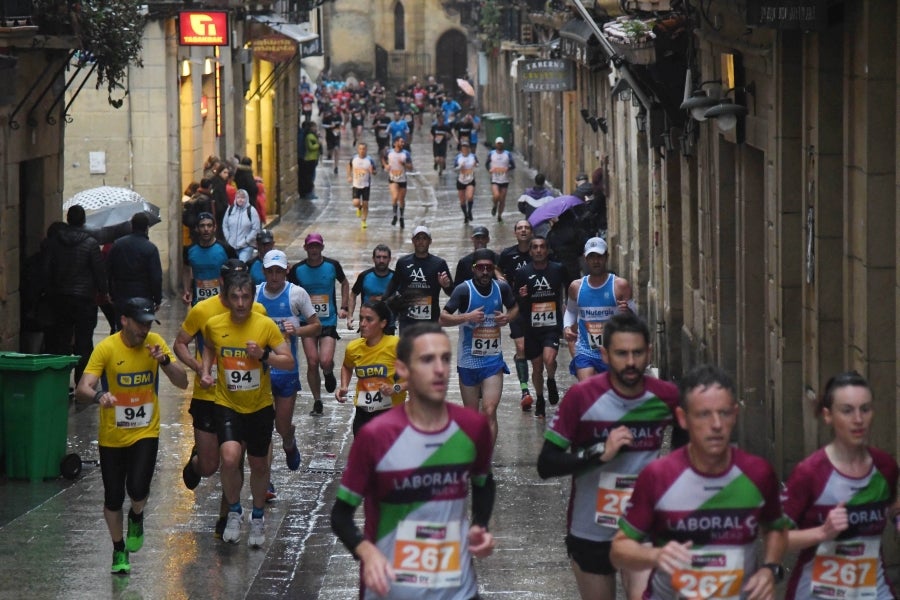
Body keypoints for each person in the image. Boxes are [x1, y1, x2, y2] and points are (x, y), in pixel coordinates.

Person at [330, 323, 496, 599]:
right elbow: (340, 515)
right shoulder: (375, 436)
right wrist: (366, 551)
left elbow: (483, 482)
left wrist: (480, 525)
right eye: (427, 359)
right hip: (391, 589)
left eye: (445, 358)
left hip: (457, 589)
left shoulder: (472, 426)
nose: (440, 368)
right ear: (403, 369)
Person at [611, 363, 789, 600]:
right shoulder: (658, 476)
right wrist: (656, 556)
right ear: (683, 419)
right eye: (704, 414)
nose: (716, 425)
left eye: (724, 413)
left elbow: (775, 528)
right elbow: (619, 549)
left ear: (735, 414)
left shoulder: (758, 473)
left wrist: (770, 569)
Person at [538, 313, 681, 600]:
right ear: (604, 354)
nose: (630, 362)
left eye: (637, 353)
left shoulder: (667, 397)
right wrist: (599, 452)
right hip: (591, 528)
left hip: (643, 527)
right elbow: (546, 464)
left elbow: (687, 452)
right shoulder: (582, 397)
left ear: (648, 352)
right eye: (621, 353)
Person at [75, 297, 188, 574]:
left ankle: (136, 514)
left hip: (145, 431)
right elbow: (82, 388)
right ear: (124, 320)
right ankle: (118, 549)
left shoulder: (156, 345)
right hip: (112, 436)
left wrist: (164, 362)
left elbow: (182, 381)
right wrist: (100, 395)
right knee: (113, 497)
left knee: (138, 489)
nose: (144, 329)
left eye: (148, 324)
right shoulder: (106, 348)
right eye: (140, 323)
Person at [782, 371, 900, 600]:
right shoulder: (809, 473)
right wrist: (822, 532)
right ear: (828, 415)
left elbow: (892, 504)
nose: (858, 419)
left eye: (865, 409)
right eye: (847, 410)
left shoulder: (885, 466)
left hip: (874, 591)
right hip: (816, 593)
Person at [199, 272, 295, 547]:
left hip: (260, 407)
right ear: (226, 299)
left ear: (253, 298)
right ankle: (234, 512)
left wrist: (264, 355)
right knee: (229, 459)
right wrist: (206, 370)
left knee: (259, 464)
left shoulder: (265, 326)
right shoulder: (214, 325)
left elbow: (288, 362)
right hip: (226, 403)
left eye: (245, 297)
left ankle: (257, 516)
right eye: (235, 297)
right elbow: (208, 348)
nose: (241, 303)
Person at [175, 260, 271, 529]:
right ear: (222, 284)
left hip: (240, 399)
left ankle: (227, 515)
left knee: (235, 458)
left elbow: (268, 347)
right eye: (232, 286)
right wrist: (199, 368)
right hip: (208, 396)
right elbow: (180, 343)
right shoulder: (202, 310)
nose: (239, 297)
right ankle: (196, 464)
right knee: (209, 465)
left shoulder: (258, 310)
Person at [440, 249, 518, 447]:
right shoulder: (463, 290)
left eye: (489, 268)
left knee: (490, 410)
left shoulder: (502, 288)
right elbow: (442, 318)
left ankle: (485, 461)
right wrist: (467, 317)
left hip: (492, 361)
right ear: (473, 269)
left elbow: (515, 307)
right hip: (468, 360)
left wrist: (508, 317)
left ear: (493, 269)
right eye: (481, 268)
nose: (485, 272)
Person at [255, 250, 321, 471]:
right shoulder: (254, 296)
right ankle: (266, 481)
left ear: (287, 271)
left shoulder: (297, 294)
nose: (274, 277)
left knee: (281, 426)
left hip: (286, 372)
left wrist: (298, 330)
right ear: (263, 271)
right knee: (263, 430)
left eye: (279, 272)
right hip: (260, 371)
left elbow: (317, 326)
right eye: (270, 271)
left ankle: (289, 441)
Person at [42, 204, 109, 385]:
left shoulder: (55, 243)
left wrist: (49, 292)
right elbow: (99, 272)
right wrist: (104, 292)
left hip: (60, 298)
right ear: (84, 221)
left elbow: (47, 269)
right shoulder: (91, 243)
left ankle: (61, 382)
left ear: (68, 219)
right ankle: (82, 383)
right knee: (84, 342)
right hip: (84, 299)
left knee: (61, 341)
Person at [288, 233, 349, 416]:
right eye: (310, 247)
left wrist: (344, 306)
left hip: (327, 321)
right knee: (312, 362)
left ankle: (328, 373)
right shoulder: (298, 269)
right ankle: (317, 401)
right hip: (306, 322)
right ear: (306, 248)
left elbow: (345, 283)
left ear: (322, 248)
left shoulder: (332, 265)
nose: (314, 250)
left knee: (325, 360)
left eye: (317, 246)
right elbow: (289, 290)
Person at [565, 237, 635, 381]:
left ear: (606, 257)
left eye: (599, 257)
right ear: (585, 259)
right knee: (588, 390)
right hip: (586, 350)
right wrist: (566, 327)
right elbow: (571, 311)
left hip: (614, 350)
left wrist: (627, 311)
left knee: (612, 395)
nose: (596, 261)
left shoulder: (620, 285)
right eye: (592, 257)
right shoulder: (576, 287)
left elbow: (636, 319)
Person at [513, 236, 566, 417]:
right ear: (530, 251)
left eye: (542, 247)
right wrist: (521, 295)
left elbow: (568, 290)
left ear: (547, 250)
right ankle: (540, 398)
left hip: (552, 325)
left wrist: (567, 317)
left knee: (549, 359)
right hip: (531, 328)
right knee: (536, 368)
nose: (538, 250)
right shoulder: (523, 273)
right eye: (534, 247)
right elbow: (515, 300)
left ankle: (551, 380)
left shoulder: (558, 269)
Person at [335, 301, 406, 435]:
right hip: (363, 413)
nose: (362, 324)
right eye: (361, 318)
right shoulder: (353, 347)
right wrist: (344, 386)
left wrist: (395, 388)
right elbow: (347, 366)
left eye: (369, 319)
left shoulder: (396, 345)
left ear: (383, 323)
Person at [385, 226, 453, 333]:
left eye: (424, 238)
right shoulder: (403, 262)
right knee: (407, 349)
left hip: (431, 320)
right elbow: (394, 283)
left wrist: (446, 285)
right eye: (418, 238)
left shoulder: (439, 263)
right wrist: (383, 302)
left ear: (430, 241)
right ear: (413, 241)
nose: (421, 242)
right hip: (407, 320)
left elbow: (451, 292)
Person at [498, 219, 535, 409]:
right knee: (520, 347)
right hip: (516, 307)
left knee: (535, 352)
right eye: (520, 228)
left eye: (526, 228)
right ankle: (525, 390)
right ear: (515, 233)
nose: (523, 230)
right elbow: (496, 266)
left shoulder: (538, 251)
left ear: (531, 232)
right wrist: (501, 278)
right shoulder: (507, 254)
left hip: (537, 308)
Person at [107, 212, 163, 322]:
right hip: (144, 297)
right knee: (141, 327)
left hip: (122, 295)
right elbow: (156, 277)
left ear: (132, 226)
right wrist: (157, 299)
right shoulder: (151, 248)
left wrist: (111, 294)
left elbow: (108, 270)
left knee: (122, 329)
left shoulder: (118, 245)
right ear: (147, 228)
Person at [182, 212, 236, 306]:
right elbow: (186, 270)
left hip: (221, 302)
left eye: (209, 225)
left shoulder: (226, 249)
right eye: (202, 226)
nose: (206, 229)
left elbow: (235, 273)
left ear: (214, 228)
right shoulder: (189, 250)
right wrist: (187, 291)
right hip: (198, 302)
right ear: (197, 229)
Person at [349, 244, 395, 334]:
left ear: (390, 259)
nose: (381, 260)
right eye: (378, 257)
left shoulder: (396, 277)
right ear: (373, 259)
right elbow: (353, 294)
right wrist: (350, 316)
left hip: (389, 325)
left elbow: (404, 296)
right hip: (367, 325)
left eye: (385, 257)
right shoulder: (364, 276)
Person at [222, 188, 261, 262]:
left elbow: (256, 229)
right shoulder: (230, 209)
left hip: (246, 247)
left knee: (241, 265)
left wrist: (246, 241)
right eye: (238, 197)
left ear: (246, 198)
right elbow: (225, 225)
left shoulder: (251, 211)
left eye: (243, 198)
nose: (240, 200)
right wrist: (228, 238)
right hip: (231, 246)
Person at [347, 142, 377, 229]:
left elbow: (375, 171)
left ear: (366, 150)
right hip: (356, 184)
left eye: (364, 149)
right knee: (355, 202)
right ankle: (359, 208)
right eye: (360, 149)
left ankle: (363, 220)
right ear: (358, 149)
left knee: (365, 203)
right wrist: (349, 176)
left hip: (366, 185)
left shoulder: (369, 160)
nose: (362, 151)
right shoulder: (354, 158)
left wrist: (372, 171)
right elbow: (348, 166)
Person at [385, 137, 412, 228]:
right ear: (395, 143)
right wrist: (386, 165)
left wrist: (404, 164)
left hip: (402, 179)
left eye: (403, 142)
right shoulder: (389, 152)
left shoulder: (406, 154)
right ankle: (395, 215)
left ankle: (402, 217)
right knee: (395, 196)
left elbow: (411, 167)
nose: (402, 143)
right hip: (393, 179)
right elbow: (383, 159)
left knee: (401, 199)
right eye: (401, 142)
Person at [486, 137, 515, 222]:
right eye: (498, 143)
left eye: (501, 143)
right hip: (495, 179)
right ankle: (495, 205)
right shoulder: (491, 153)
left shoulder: (507, 154)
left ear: (503, 144)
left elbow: (513, 165)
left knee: (502, 199)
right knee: (496, 195)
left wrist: (507, 168)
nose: (499, 145)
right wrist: (489, 170)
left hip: (504, 179)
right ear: (495, 144)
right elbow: (487, 163)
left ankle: (499, 215)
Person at [453, 140, 478, 223]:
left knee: (470, 196)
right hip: (461, 180)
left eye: (466, 147)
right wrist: (460, 167)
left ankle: (470, 211)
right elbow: (454, 169)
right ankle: (465, 215)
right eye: (463, 147)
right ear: (461, 149)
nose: (465, 149)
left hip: (470, 179)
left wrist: (475, 165)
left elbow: (477, 165)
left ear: (469, 148)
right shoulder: (458, 157)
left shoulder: (473, 156)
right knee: (462, 200)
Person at [299, 122, 321, 200]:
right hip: (310, 159)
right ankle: (308, 193)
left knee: (309, 176)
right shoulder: (309, 136)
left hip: (312, 158)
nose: (316, 128)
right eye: (314, 127)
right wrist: (318, 144)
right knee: (309, 177)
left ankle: (308, 192)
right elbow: (310, 147)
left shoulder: (310, 135)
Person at [321, 105, 343, 174]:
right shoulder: (327, 117)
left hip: (337, 135)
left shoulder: (339, 116)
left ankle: (336, 167)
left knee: (336, 149)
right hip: (329, 136)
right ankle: (329, 154)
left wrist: (341, 125)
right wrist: (329, 126)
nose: (334, 110)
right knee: (330, 150)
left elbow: (341, 122)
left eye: (335, 109)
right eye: (333, 109)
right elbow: (323, 125)